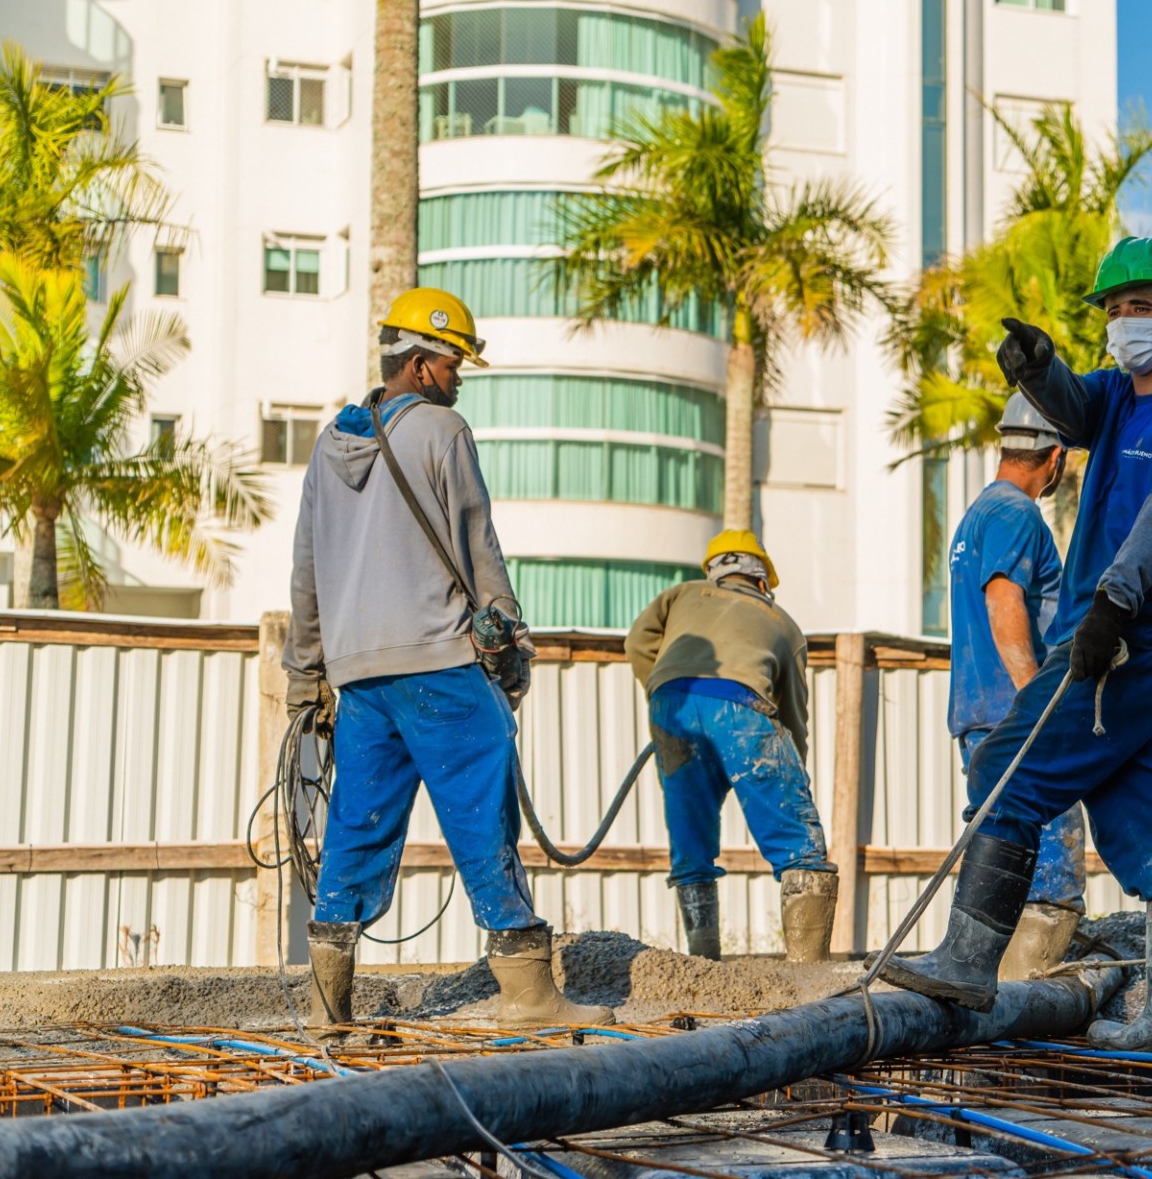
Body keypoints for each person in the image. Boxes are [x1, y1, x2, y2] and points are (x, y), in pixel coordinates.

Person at [883, 236, 1152, 1056]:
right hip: (1115, 642)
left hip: (1130, 644)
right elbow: (1073, 407)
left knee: (1005, 768)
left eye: (1138, 308)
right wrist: (1035, 369)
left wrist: (1113, 604)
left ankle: (967, 963)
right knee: (1148, 822)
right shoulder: (1115, 399)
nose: (1123, 323)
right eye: (1114, 311)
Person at [284, 287, 610, 1027]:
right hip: (437, 658)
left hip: (360, 675)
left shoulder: (328, 446)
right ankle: (529, 992)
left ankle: (327, 1002)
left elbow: (306, 568)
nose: (460, 376)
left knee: (357, 824)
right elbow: (477, 546)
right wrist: (512, 641)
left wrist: (307, 674)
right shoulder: (442, 430)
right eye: (455, 361)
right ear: (423, 366)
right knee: (480, 810)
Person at [627, 530, 838, 963]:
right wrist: (793, 771)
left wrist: (665, 691)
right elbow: (794, 714)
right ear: (763, 581)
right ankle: (809, 972)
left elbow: (637, 643)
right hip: (742, 706)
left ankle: (705, 963)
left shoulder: (683, 594)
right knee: (801, 846)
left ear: (714, 572)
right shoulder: (782, 623)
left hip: (672, 704)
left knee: (691, 840)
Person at [946, 393, 1086, 977]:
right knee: (1049, 864)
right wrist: (1037, 701)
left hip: (981, 711)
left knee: (999, 850)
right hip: (1014, 710)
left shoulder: (978, 513)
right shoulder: (1017, 515)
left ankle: (990, 986)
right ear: (1054, 458)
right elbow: (1005, 600)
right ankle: (1030, 992)